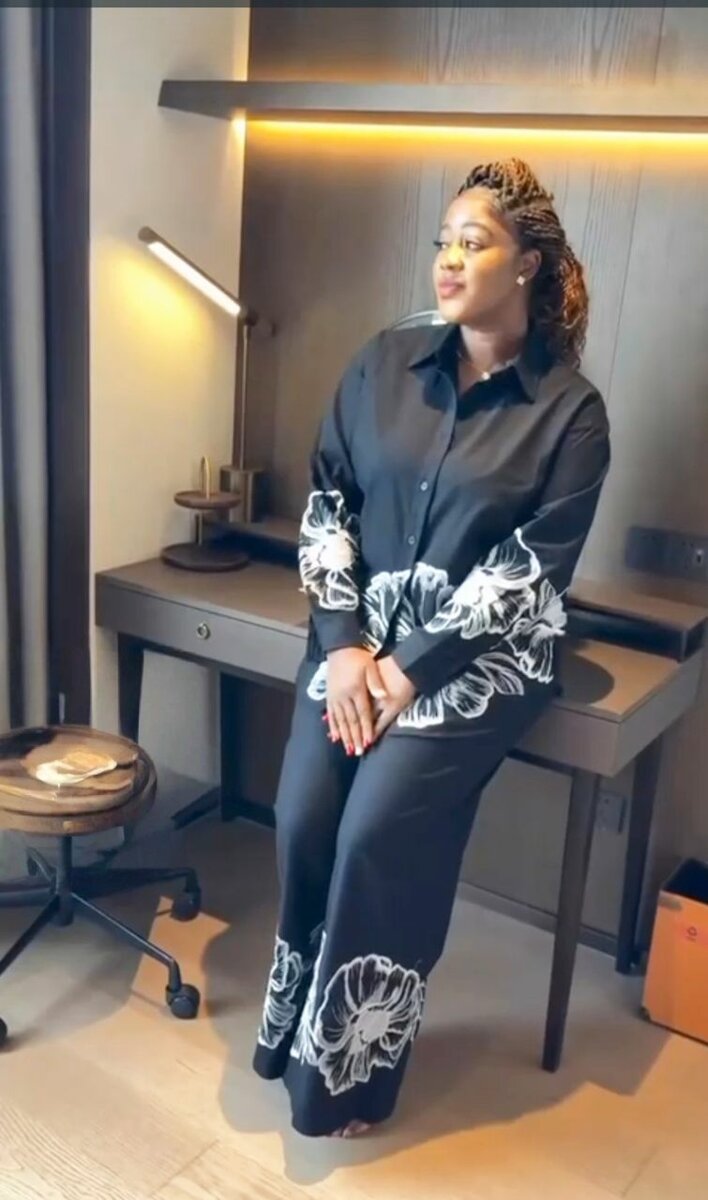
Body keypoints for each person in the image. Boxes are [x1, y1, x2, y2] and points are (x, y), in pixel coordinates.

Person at [253, 157, 610, 1138]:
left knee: (377, 834)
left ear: (527, 264)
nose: (448, 258)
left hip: (480, 660)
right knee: (304, 817)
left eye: (474, 242)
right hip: (358, 641)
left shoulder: (571, 414)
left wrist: (407, 672)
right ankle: (293, 1033)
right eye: (443, 240)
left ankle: (351, 1074)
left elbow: (529, 573)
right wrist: (345, 649)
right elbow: (328, 503)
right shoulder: (383, 363)